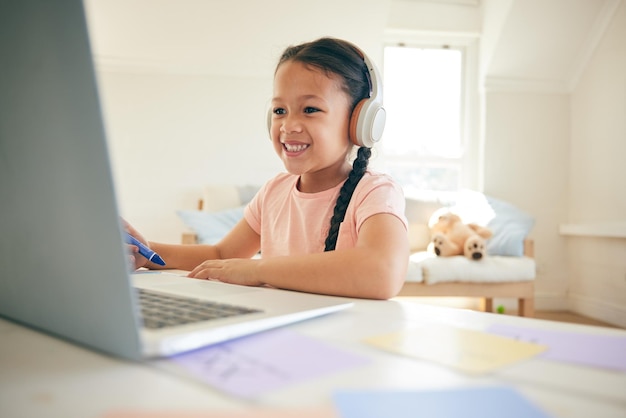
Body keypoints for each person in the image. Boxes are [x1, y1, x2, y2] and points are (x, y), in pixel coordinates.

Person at [126, 37, 409, 299]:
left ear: (359, 121)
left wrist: (258, 270)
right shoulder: (275, 191)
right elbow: (221, 253)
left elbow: (382, 272)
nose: (289, 125)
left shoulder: (374, 192)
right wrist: (145, 252)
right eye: (279, 110)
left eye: (310, 109)